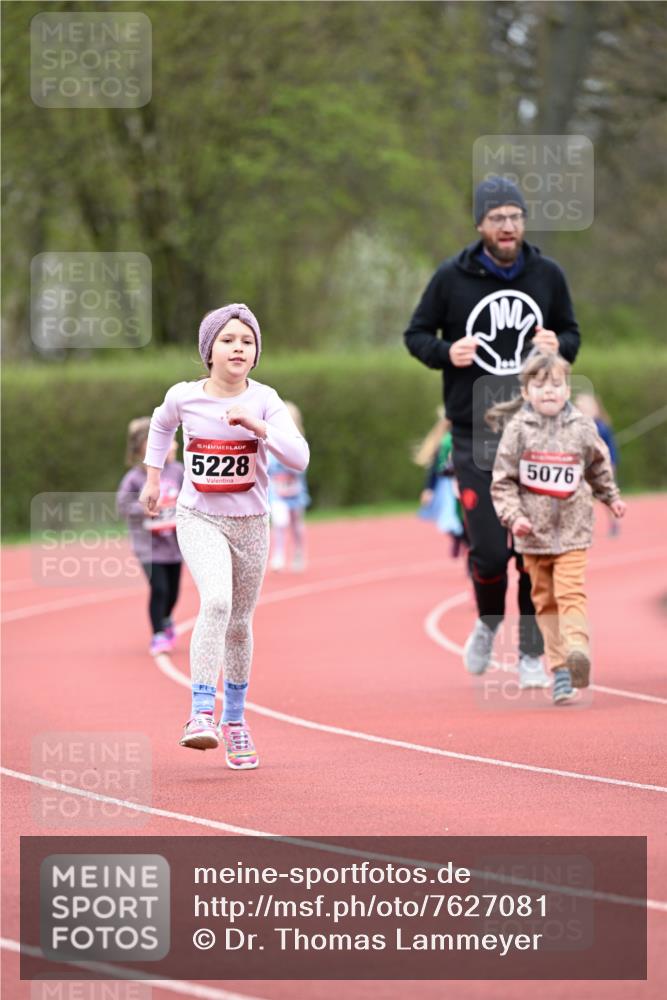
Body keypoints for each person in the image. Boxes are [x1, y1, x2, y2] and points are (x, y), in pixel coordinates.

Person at [404, 175, 581, 688]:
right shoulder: (450, 278)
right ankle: (486, 620)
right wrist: (446, 352)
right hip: (473, 431)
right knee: (487, 551)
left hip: (535, 432)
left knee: (531, 549)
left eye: (515, 217)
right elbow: (415, 335)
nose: (508, 226)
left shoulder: (547, 275)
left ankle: (529, 652)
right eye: (498, 217)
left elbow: (572, 335)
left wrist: (559, 344)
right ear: (480, 223)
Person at [140, 303, 309, 769]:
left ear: (256, 354)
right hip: (199, 518)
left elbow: (299, 457)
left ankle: (235, 721)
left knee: (240, 622)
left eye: (248, 341)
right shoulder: (183, 396)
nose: (239, 348)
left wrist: (259, 427)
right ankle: (200, 714)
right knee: (215, 603)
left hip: (252, 523)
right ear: (208, 349)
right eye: (229, 340)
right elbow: (160, 424)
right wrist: (153, 478)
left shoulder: (266, 400)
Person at [489, 350, 626, 704]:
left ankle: (577, 649)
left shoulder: (582, 427)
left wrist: (610, 497)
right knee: (545, 602)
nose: (548, 391)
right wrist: (513, 516)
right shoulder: (517, 431)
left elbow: (598, 466)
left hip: (572, 531)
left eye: (556, 384)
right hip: (532, 536)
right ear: (526, 391)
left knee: (570, 593)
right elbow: (502, 482)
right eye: (539, 384)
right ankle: (561, 669)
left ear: (566, 389)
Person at [116, 418, 184, 655]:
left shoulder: (177, 471)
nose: (175, 446)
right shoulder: (135, 478)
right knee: (160, 589)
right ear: (149, 446)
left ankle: (165, 619)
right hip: (149, 547)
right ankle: (157, 636)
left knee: (174, 592)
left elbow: (190, 497)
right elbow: (122, 505)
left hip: (175, 545)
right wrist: (142, 508)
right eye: (170, 441)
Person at [414, 409, 466, 558]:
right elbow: (434, 468)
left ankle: (465, 539)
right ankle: (458, 538)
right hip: (447, 485)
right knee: (448, 518)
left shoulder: (465, 438)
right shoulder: (443, 442)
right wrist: (428, 489)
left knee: (463, 515)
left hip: (463, 481)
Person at [268, 401, 311, 571]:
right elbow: (267, 465)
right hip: (277, 491)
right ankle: (278, 555)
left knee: (296, 525)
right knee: (279, 521)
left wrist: (288, 462)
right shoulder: (271, 438)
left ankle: (299, 552)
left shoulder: (299, 441)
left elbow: (301, 467)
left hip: (295, 492)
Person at [574, 392, 620, 536]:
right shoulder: (575, 427)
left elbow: (611, 447)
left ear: (595, 408)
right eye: (580, 407)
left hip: (601, 468)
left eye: (587, 407)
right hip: (582, 469)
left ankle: (613, 522)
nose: (584, 410)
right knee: (582, 498)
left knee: (606, 495)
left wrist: (611, 465)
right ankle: (582, 525)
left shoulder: (602, 427)